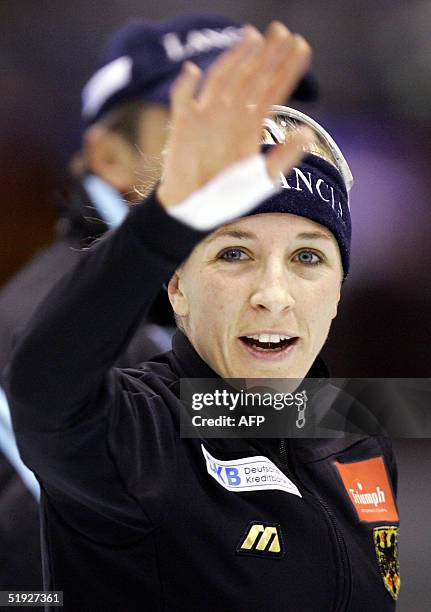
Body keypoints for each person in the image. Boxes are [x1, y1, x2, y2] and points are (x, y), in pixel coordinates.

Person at [6, 22, 399, 611]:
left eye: (308, 257)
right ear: (176, 285)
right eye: (233, 253)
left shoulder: (351, 430)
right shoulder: (132, 421)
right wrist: (166, 222)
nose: (274, 293)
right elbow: (52, 398)